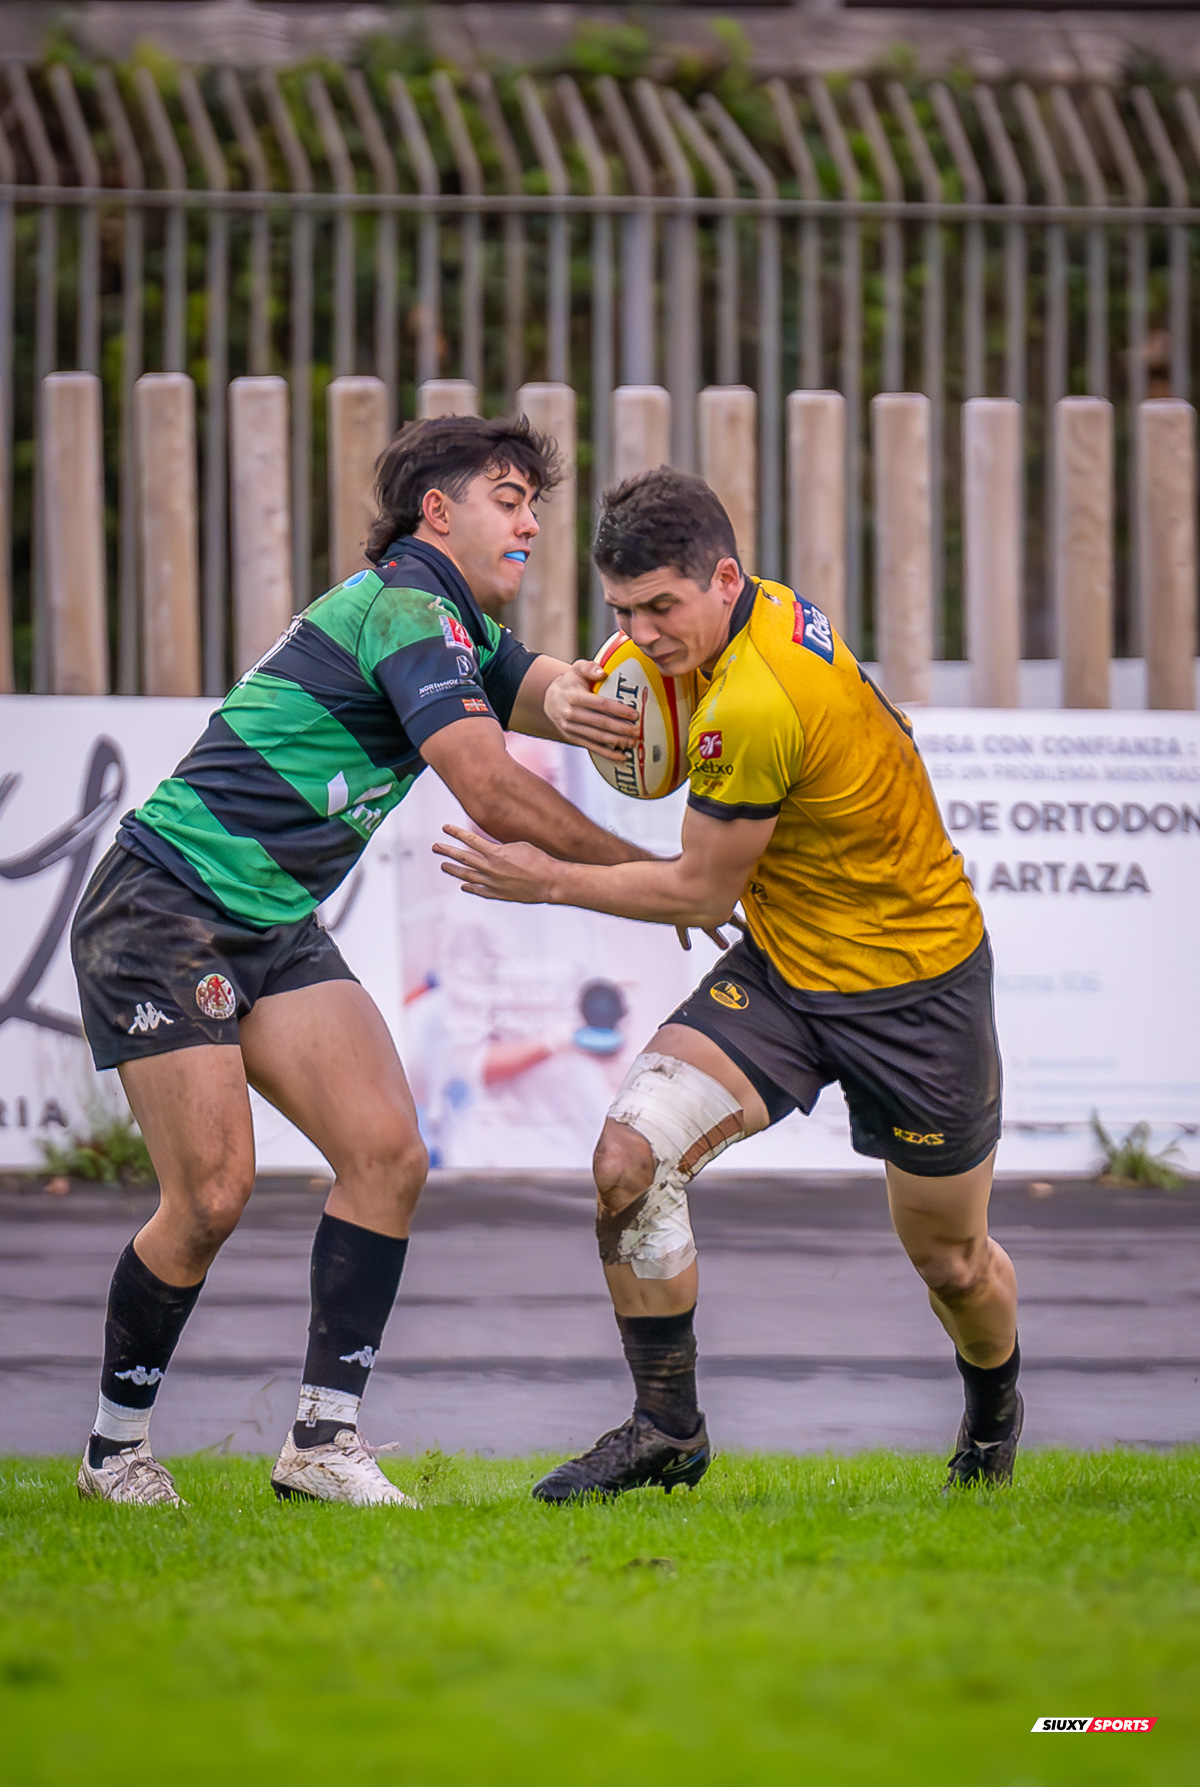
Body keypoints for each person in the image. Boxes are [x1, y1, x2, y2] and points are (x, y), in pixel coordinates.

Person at [70, 412, 647, 1508]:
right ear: (439, 511)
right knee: (211, 1196)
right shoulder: (407, 607)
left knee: (386, 1154)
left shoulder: (454, 623)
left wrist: (628, 704)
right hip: (164, 906)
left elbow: (546, 697)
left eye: (536, 503)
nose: (532, 522)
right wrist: (650, 874)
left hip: (271, 918)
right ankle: (113, 1455)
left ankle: (322, 1445)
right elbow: (490, 785)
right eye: (509, 498)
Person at [436, 466, 1021, 1502]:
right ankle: (668, 1429)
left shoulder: (753, 699)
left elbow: (699, 892)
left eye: (661, 608)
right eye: (622, 610)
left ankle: (991, 1417)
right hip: (791, 969)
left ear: (722, 578)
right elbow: (650, 716)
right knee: (627, 1160)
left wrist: (546, 881)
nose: (645, 634)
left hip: (917, 989)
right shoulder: (749, 619)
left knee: (953, 1264)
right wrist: (582, 687)